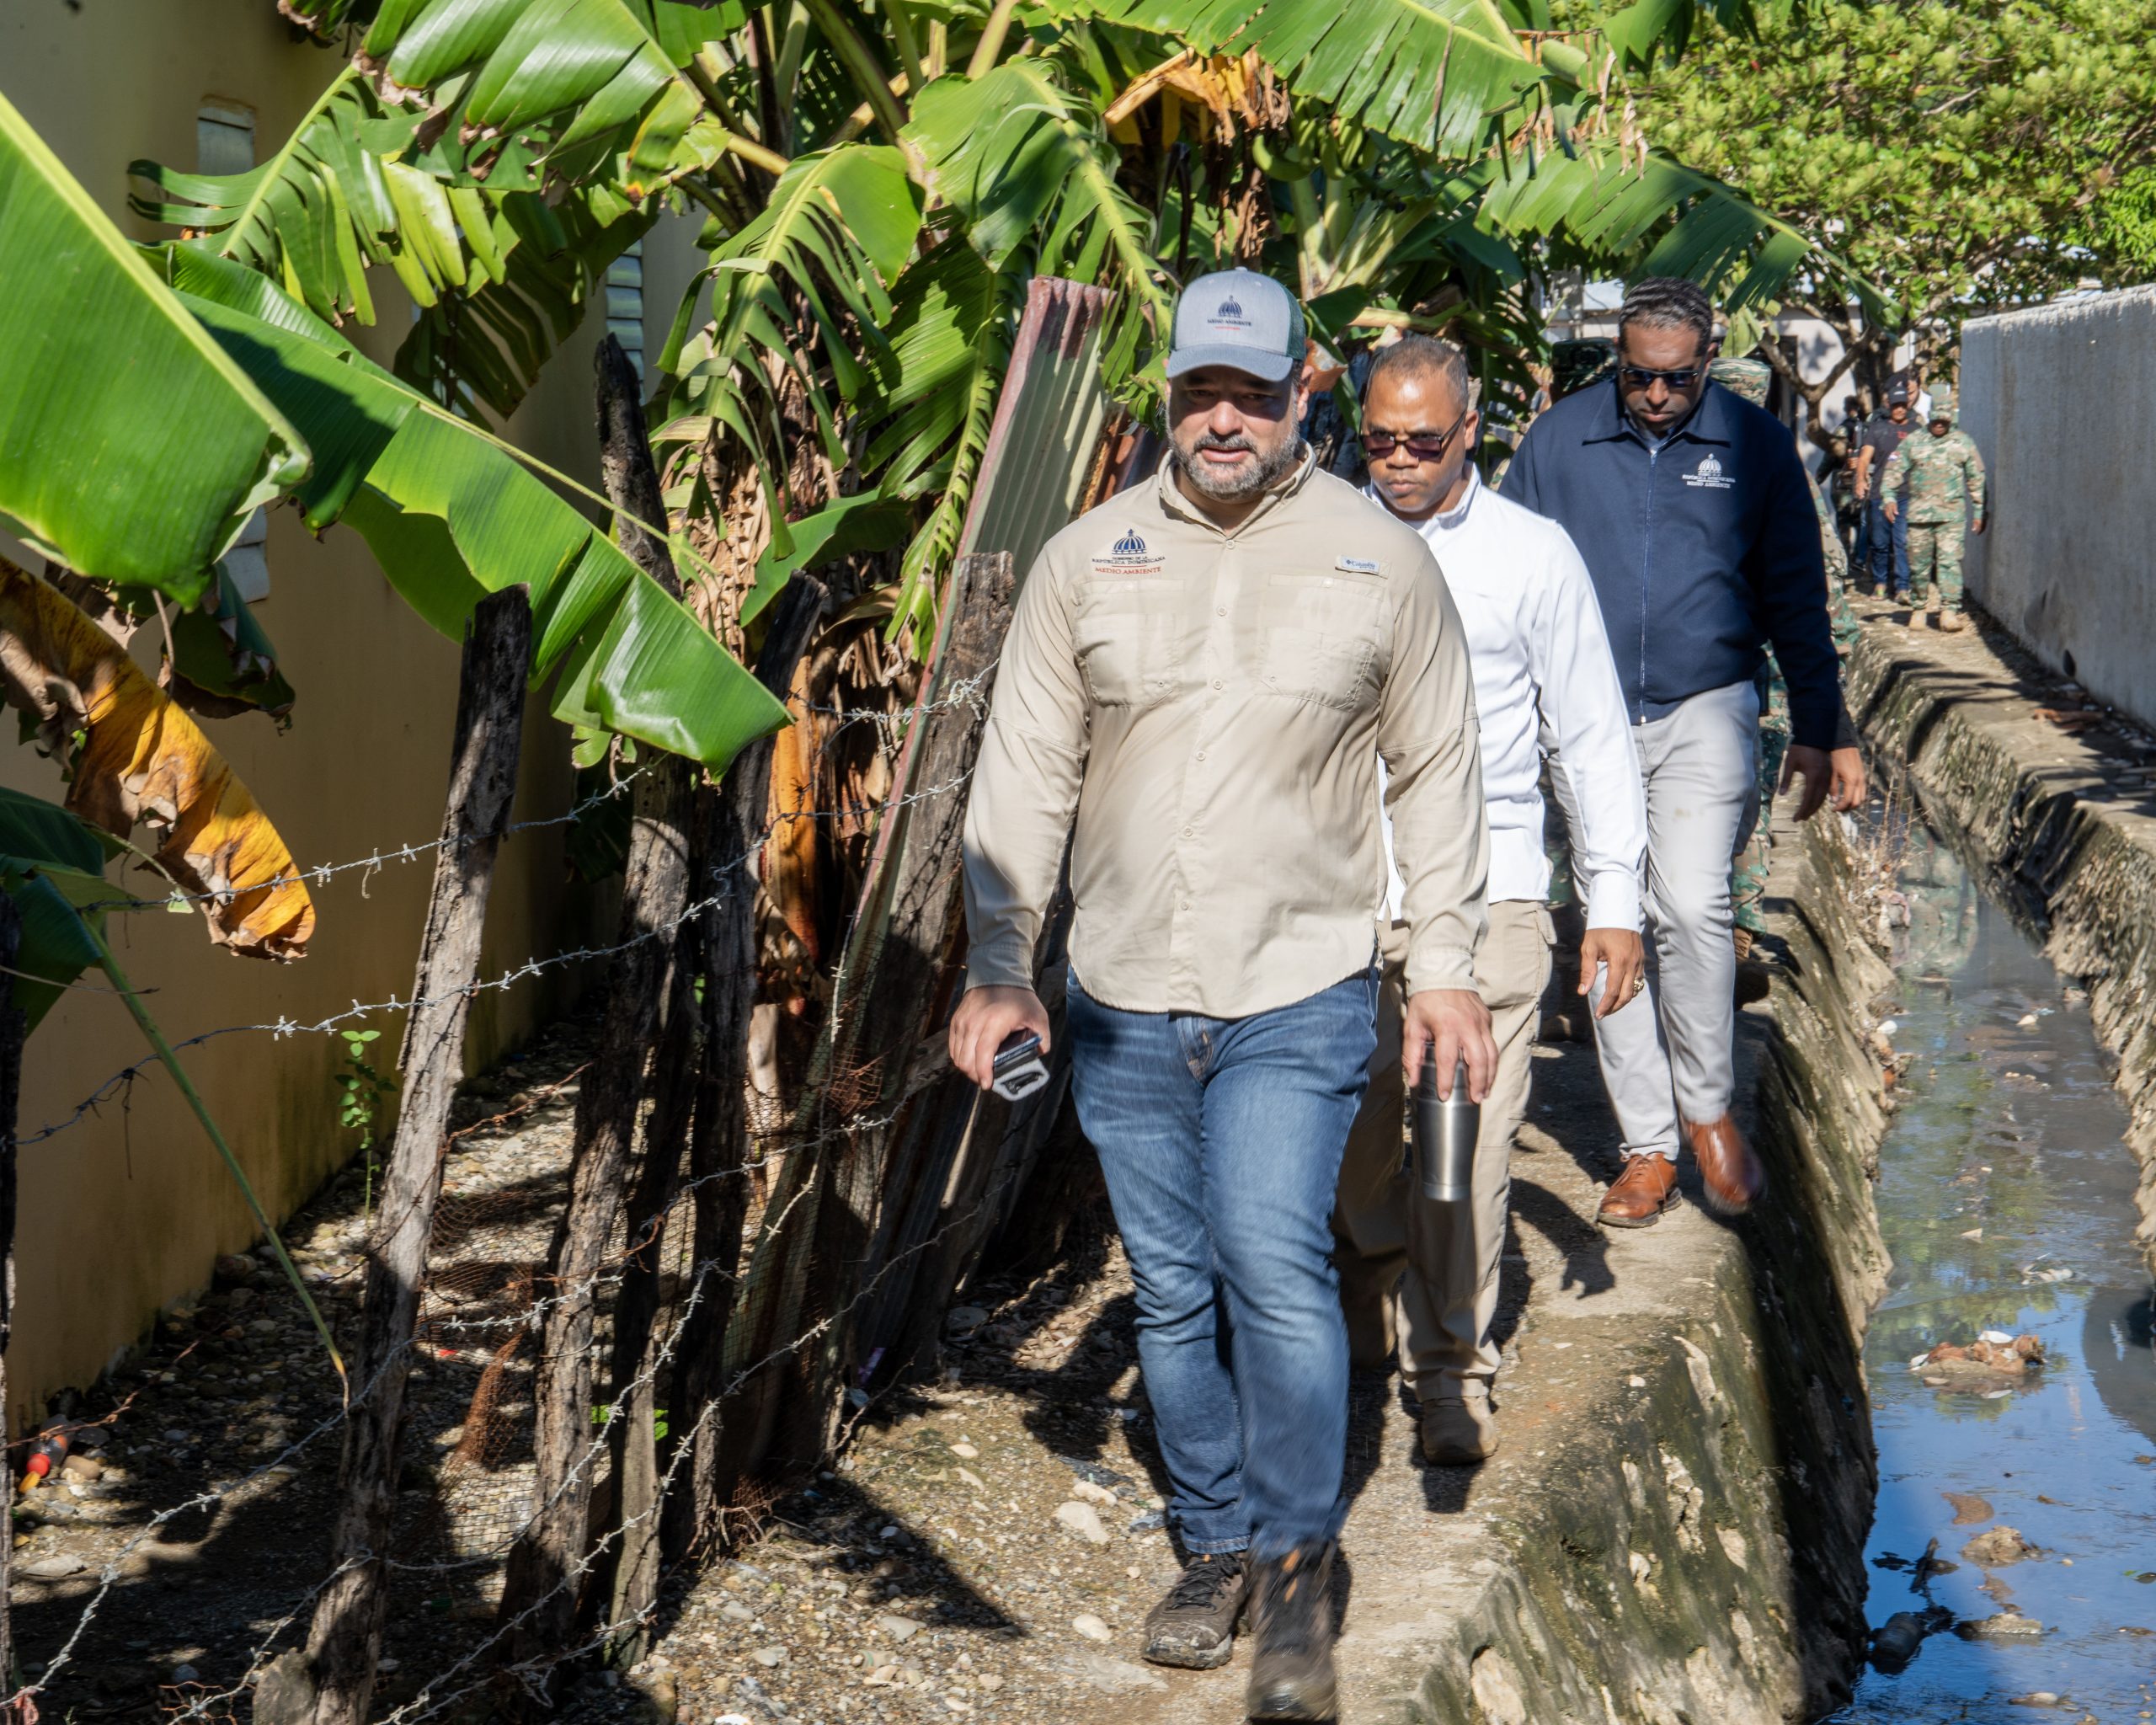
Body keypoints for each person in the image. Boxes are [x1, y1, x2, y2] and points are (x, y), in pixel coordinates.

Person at [950, 268, 1496, 1720]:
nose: (1227, 418)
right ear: (1170, 392)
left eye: (1256, 393)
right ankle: (1215, 1544)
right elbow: (1025, 776)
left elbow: (1442, 769)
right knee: (1173, 1289)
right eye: (1204, 390)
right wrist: (998, 965)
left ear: (1301, 392)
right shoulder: (1087, 559)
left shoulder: (1381, 558)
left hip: (1298, 986)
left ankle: (1303, 1566)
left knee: (1273, 1261)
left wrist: (1442, 967)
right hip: (1123, 992)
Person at [1331, 335, 1648, 1464]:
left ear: (1473, 431)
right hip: (1342, 900)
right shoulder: (1318, 540)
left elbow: (1590, 734)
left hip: (1493, 897)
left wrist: (1613, 898)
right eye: (1382, 441)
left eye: (1426, 440)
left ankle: (1452, 1368)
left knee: (1464, 1146)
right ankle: (1370, 1295)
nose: (1403, 460)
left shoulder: (1532, 555)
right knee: (1361, 1135)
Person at [1500, 279, 1865, 1228]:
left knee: (1693, 902)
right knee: (1609, 916)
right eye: (1636, 376)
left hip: (1706, 702)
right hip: (1585, 717)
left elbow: (1796, 593)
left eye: (1672, 378)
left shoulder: (1753, 446)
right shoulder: (1557, 442)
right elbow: (1498, 574)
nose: (1654, 395)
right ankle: (1647, 1145)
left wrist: (1826, 725)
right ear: (1616, 359)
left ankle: (1706, 1109)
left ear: (1706, 360)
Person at [1707, 356, 1861, 951]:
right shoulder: (1780, 470)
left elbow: (1821, 595)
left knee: (1735, 794)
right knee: (1741, 795)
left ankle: (1735, 933)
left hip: (1756, 670)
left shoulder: (1762, 473)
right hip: (1754, 672)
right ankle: (1737, 928)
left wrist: (1827, 713)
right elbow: (1832, 596)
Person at [1883, 383, 1988, 633]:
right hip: (1919, 516)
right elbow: (1894, 470)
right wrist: (1888, 496)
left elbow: (1977, 477)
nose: (1940, 424)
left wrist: (1979, 511)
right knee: (1918, 565)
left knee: (1949, 563)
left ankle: (1949, 610)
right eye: (1936, 419)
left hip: (1951, 516)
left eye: (1944, 420)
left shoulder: (1963, 443)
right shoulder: (1914, 441)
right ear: (1929, 418)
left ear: (1950, 418)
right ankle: (1919, 608)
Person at [1854, 384, 1915, 599]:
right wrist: (1860, 480)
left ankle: (1902, 587)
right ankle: (1880, 583)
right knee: (1879, 542)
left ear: (1908, 405)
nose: (1899, 409)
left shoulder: (1917, 431)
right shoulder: (1877, 429)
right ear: (1889, 405)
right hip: (1879, 493)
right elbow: (1864, 458)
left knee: (1902, 541)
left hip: (1907, 494)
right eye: (1895, 405)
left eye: (1903, 405)